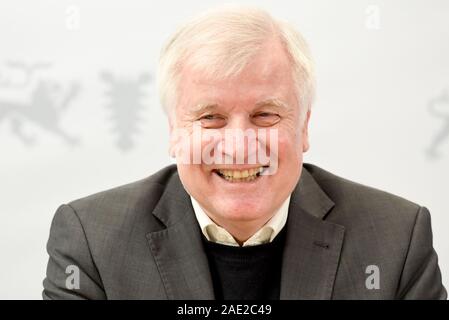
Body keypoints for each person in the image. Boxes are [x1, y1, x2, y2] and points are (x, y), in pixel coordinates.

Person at [43, 6, 446, 300]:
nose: (239, 145)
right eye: (211, 117)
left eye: (266, 115)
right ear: (173, 131)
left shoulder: (396, 240)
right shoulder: (91, 241)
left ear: (304, 127)